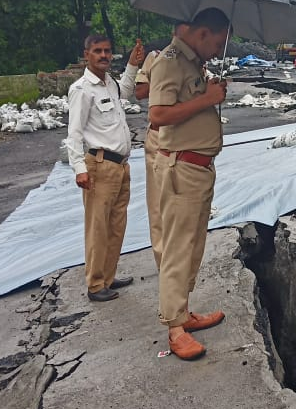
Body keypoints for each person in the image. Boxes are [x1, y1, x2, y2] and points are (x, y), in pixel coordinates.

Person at [146, 8, 230, 360]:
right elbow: (158, 115)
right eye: (218, 43)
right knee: (178, 250)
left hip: (199, 169)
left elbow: (188, 106)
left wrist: (210, 92)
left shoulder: (193, 62)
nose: (219, 50)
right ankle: (175, 328)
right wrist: (207, 100)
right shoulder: (169, 61)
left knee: (192, 246)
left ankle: (183, 312)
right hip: (182, 170)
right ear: (203, 33)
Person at [66, 34, 145, 302]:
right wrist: (79, 168)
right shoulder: (82, 90)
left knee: (116, 226)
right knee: (98, 227)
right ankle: (96, 284)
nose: (104, 55)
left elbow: (125, 91)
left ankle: (108, 277)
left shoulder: (109, 83)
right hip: (98, 166)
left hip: (120, 166)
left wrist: (133, 65)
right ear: (86, 54)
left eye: (107, 51)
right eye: (98, 51)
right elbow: (74, 133)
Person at [135, 23, 189, 268]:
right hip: (160, 138)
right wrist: (164, 77)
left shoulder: (195, 62)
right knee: (158, 205)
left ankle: (180, 263)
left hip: (186, 139)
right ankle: (163, 263)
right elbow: (139, 91)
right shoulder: (156, 58)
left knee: (183, 204)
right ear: (175, 32)